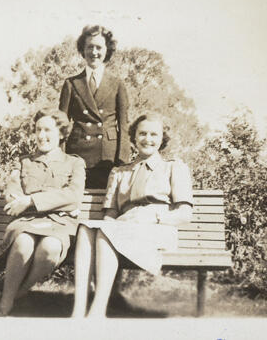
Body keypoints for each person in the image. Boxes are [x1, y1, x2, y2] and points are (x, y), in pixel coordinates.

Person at [71, 112, 194, 318]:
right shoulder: (120, 172)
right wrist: (108, 228)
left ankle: (97, 310)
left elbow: (184, 214)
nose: (147, 139)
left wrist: (155, 218)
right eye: (142, 134)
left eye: (154, 134)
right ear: (134, 138)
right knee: (86, 229)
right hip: (123, 228)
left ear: (162, 139)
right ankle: (78, 308)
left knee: (105, 232)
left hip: (157, 229)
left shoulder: (173, 168)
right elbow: (110, 214)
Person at [0, 108, 86, 316]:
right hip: (26, 222)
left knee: (50, 247)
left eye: (48, 130)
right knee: (23, 243)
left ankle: (19, 292)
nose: (41, 135)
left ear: (61, 133)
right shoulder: (24, 162)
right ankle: (5, 303)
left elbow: (73, 196)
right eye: (38, 130)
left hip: (59, 223)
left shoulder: (74, 163)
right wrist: (19, 199)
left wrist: (31, 199)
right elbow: (12, 193)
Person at [59, 24, 131, 189]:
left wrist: (122, 160)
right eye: (89, 47)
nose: (94, 52)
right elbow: (60, 125)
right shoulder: (71, 83)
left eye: (99, 47)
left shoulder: (117, 84)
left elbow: (123, 125)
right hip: (77, 156)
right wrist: (59, 158)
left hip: (108, 157)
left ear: (107, 50)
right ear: (82, 50)